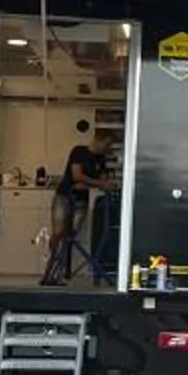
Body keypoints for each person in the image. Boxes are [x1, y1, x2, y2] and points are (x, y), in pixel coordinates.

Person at [44, 118, 110, 286]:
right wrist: (97, 182)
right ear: (98, 140)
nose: (108, 148)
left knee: (70, 236)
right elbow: (76, 176)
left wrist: (92, 182)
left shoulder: (101, 160)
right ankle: (51, 266)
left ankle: (61, 271)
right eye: (107, 144)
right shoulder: (79, 151)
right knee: (59, 232)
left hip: (81, 200)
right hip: (64, 196)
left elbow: (106, 182)